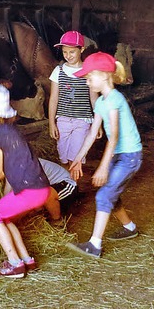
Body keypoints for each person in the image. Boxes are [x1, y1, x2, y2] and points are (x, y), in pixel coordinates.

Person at [0, 83, 50, 278]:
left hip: (29, 191)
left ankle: (14, 264)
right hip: (41, 188)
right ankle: (26, 259)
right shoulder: (11, 130)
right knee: (5, 218)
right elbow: (5, 172)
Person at [66, 52, 142, 259]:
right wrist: (78, 158)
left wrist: (102, 167)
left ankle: (94, 245)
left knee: (104, 195)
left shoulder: (115, 99)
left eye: (89, 78)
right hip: (119, 154)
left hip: (130, 156)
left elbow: (114, 137)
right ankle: (129, 227)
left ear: (104, 75)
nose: (87, 82)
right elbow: (92, 133)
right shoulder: (100, 102)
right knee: (109, 192)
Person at [49, 30, 99, 169]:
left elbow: (94, 98)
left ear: (81, 49)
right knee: (63, 157)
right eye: (65, 52)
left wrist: (97, 122)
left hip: (82, 120)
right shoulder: (58, 71)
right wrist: (51, 123)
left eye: (72, 52)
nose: (68, 56)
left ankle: (74, 187)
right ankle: (68, 185)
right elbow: (53, 98)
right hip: (63, 120)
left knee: (76, 157)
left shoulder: (88, 71)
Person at [4, 158, 78, 225]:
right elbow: (8, 190)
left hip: (66, 185)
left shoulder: (29, 165)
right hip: (48, 186)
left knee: (45, 194)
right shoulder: (11, 166)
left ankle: (57, 221)